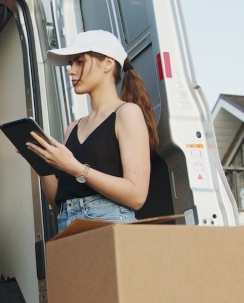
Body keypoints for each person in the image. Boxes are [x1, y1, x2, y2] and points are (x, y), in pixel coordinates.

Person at [27, 30, 159, 234]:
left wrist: (76, 168)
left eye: (79, 62)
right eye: (71, 64)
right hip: (68, 225)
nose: (71, 71)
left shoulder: (127, 113)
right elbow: (59, 205)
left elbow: (137, 195)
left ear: (107, 63)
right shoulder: (73, 127)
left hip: (111, 224)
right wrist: (41, 163)